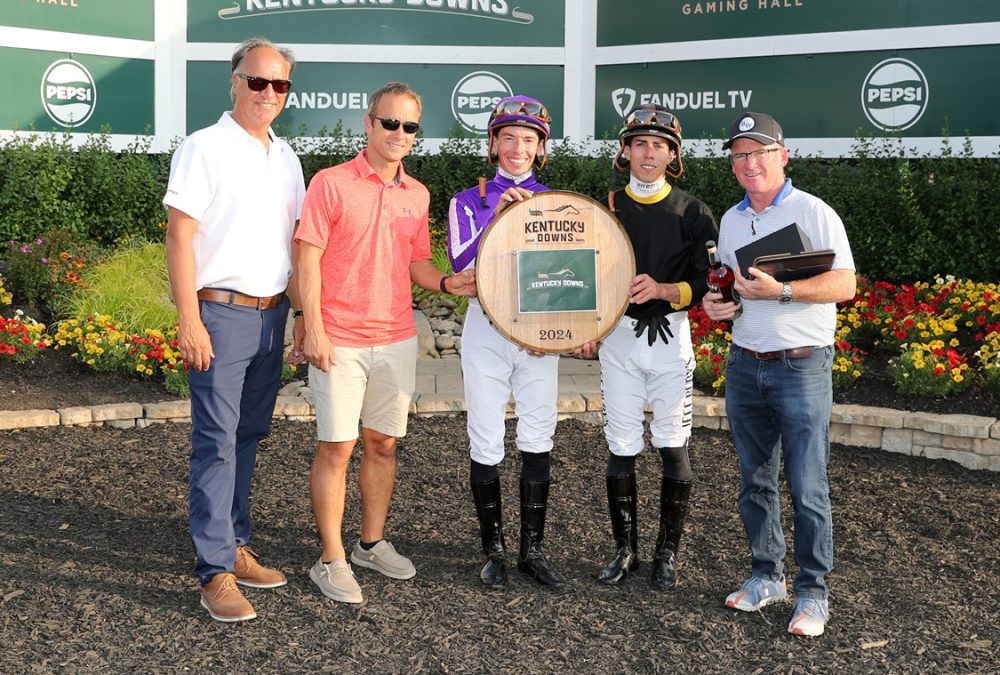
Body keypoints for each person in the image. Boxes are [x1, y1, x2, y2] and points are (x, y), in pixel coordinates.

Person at [295, 82, 476, 605]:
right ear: (369, 124)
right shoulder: (329, 184)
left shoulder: (416, 194)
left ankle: (369, 545)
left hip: (396, 337)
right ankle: (329, 561)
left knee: (383, 445)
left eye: (410, 126)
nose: (399, 134)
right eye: (390, 123)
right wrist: (314, 328)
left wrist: (446, 282)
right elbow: (307, 260)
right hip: (340, 339)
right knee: (337, 447)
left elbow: (416, 262)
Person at [163, 37, 305, 622]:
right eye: (256, 81)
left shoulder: (287, 156)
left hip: (271, 315)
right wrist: (189, 318)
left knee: (247, 437)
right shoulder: (204, 148)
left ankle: (236, 544)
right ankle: (215, 572)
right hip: (219, 314)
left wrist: (299, 313)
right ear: (234, 82)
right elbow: (179, 235)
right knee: (215, 443)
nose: (267, 93)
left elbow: (295, 247)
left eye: (279, 85)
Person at [702, 111, 856, 637]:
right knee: (755, 481)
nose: (749, 163)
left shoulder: (814, 211)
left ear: (781, 156)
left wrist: (784, 291)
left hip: (802, 364)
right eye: (740, 154)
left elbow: (845, 285)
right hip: (745, 361)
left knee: (807, 483)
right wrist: (715, 305)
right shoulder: (730, 219)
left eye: (759, 152)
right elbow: (727, 288)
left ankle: (813, 592)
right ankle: (767, 576)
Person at [588, 105, 717, 590]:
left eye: (659, 144)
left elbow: (709, 282)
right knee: (621, 447)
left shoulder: (693, 211)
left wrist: (664, 290)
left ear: (673, 154)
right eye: (640, 143)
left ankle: (667, 554)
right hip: (620, 340)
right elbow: (586, 272)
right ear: (625, 150)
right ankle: (626, 551)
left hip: (671, 342)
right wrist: (588, 324)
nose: (648, 152)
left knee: (672, 447)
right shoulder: (605, 207)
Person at [447, 95, 566, 589]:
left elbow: (568, 277)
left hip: (536, 336)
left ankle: (531, 551)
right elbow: (461, 267)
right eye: (509, 137)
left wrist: (558, 330)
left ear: (540, 148)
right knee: (486, 437)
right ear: (493, 142)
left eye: (529, 139)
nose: (519, 147)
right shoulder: (466, 200)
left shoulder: (557, 202)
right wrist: (496, 213)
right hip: (487, 330)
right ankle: (492, 549)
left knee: (539, 436)